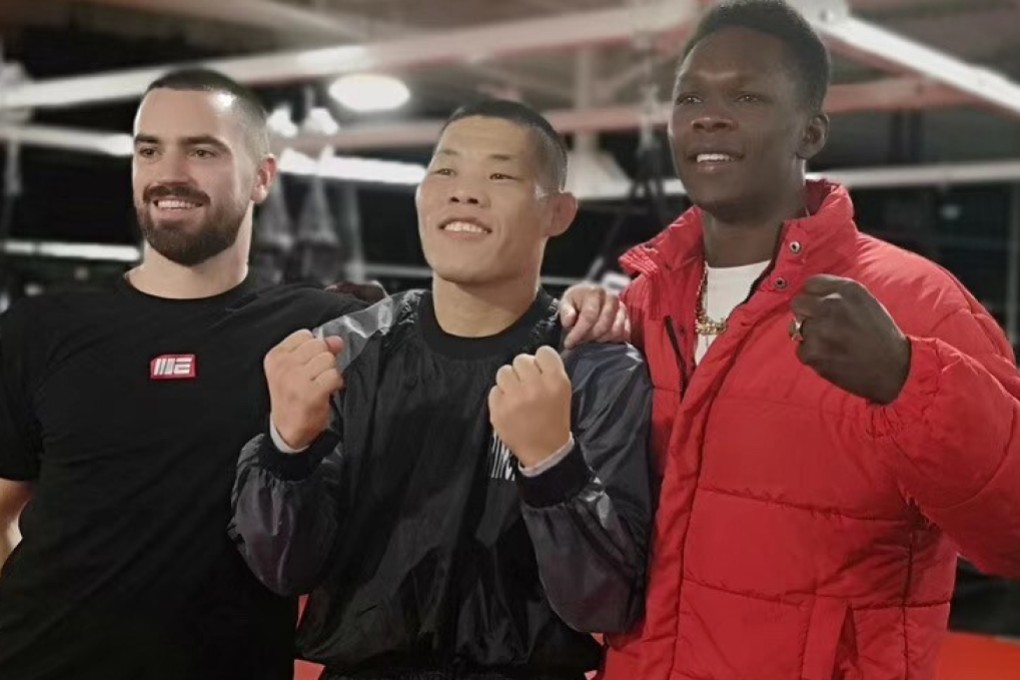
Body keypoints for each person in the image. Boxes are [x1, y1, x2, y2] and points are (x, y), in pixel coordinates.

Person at [559, 2, 1020, 679]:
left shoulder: (918, 303)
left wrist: (909, 381)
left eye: (746, 96)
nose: (709, 116)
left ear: (811, 132)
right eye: (691, 97)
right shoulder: (643, 302)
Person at [228, 99, 654, 680]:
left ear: (557, 213)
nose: (465, 193)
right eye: (446, 170)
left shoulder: (593, 370)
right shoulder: (348, 350)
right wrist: (286, 450)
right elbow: (281, 569)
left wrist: (552, 464)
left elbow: (605, 603)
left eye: (500, 175)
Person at [0, 69, 372, 680]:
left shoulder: (318, 330)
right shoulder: (41, 329)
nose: (169, 173)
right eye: (150, 150)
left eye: (202, 151)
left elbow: (463, 337)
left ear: (262, 178)